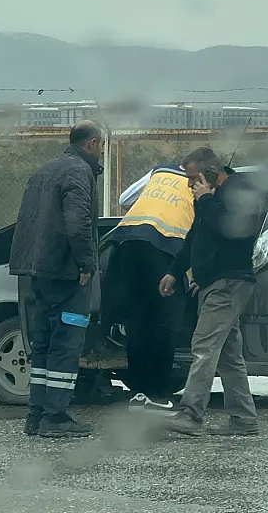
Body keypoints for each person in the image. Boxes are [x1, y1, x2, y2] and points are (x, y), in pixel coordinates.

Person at [158, 151, 267, 437]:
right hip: (215, 283)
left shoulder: (239, 191)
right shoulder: (209, 198)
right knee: (229, 355)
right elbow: (197, 236)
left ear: (209, 172)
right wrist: (175, 270)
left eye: (193, 178)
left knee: (204, 347)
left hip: (229, 282)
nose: (189, 185)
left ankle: (190, 414)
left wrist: (206, 199)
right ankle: (243, 419)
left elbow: (234, 231)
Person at [9, 120, 105, 439]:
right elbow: (77, 222)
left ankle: (36, 414)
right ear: (92, 143)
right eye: (101, 146)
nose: (102, 153)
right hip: (67, 274)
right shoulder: (79, 172)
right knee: (67, 342)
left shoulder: (44, 170)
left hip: (37, 272)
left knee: (45, 344)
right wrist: (86, 264)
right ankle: (57, 415)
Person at [108, 147, 219, 414]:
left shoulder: (160, 170)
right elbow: (201, 236)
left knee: (137, 320)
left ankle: (137, 392)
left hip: (128, 241)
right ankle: (157, 393)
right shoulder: (208, 189)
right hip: (166, 248)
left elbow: (125, 199)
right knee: (166, 322)